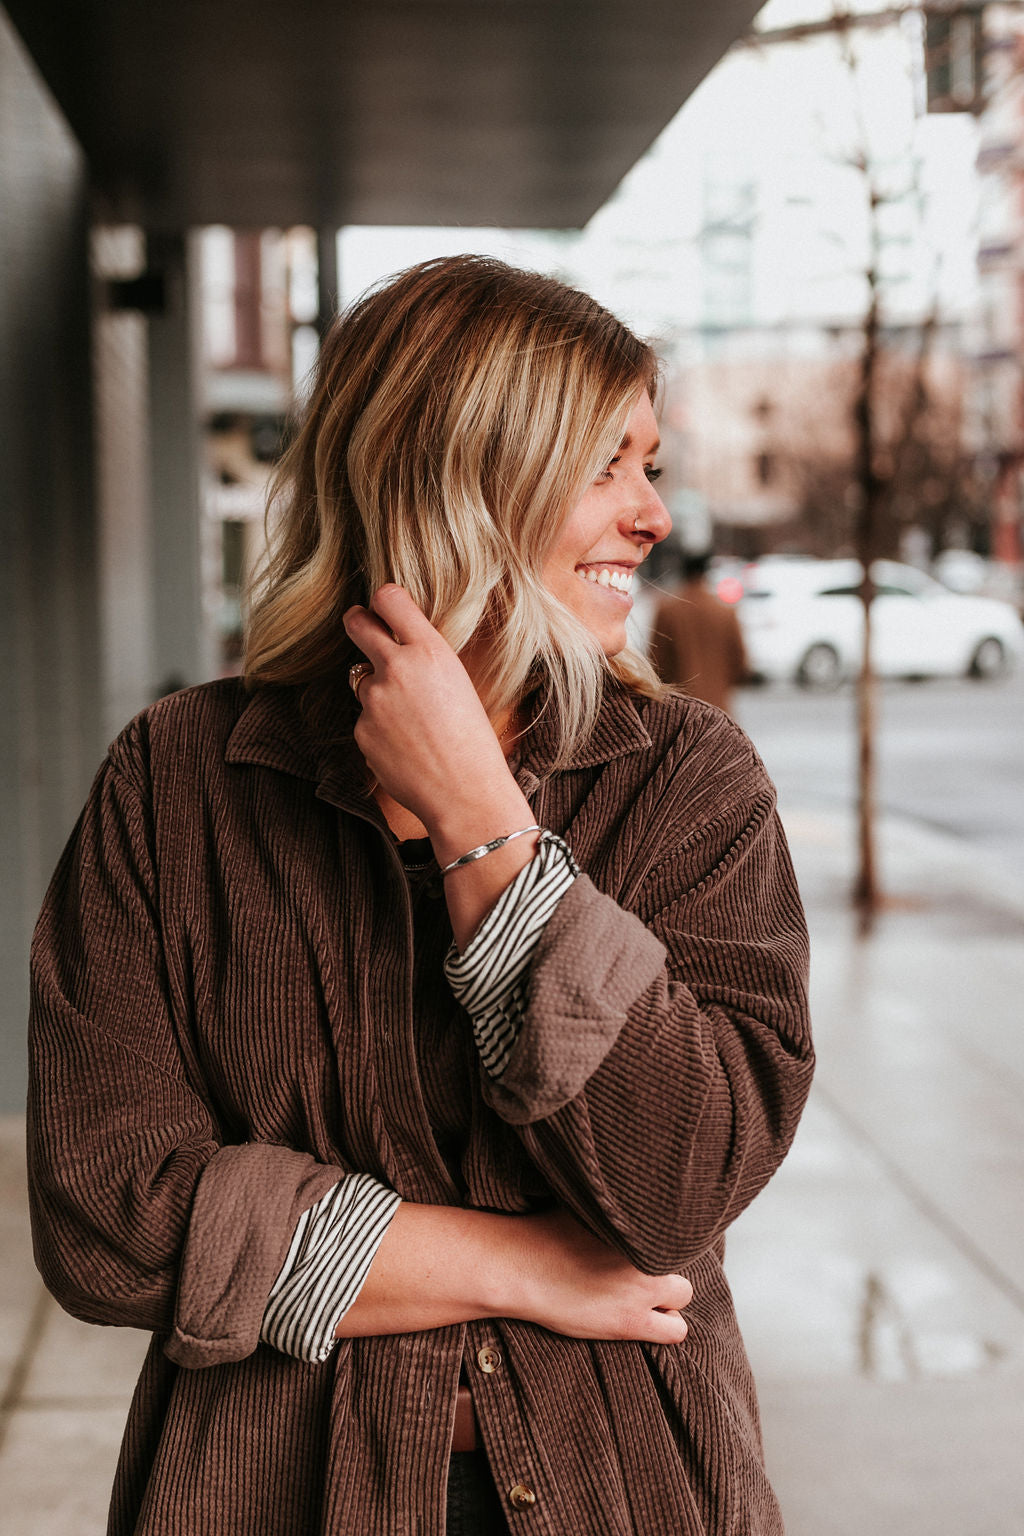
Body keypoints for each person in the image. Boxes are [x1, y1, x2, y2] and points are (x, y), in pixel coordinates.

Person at [27, 255, 813, 1536]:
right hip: (263, 1497)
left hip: (626, 1496)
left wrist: (484, 829)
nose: (652, 515)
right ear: (458, 474)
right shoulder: (175, 780)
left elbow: (680, 1184)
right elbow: (106, 1214)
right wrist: (528, 1265)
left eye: (651, 465)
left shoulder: (687, 782)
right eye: (605, 465)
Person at [649, 549, 749, 714]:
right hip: (718, 707)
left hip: (678, 708)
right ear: (706, 572)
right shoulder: (725, 612)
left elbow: (656, 661)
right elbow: (740, 661)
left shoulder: (668, 611)